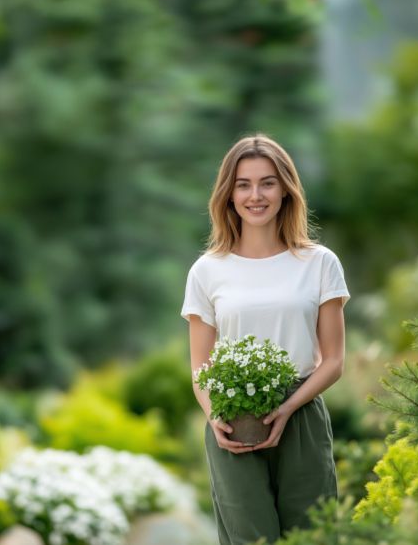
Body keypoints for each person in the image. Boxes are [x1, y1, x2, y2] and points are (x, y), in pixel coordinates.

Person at [180, 134, 350, 544]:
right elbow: (201, 367)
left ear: (286, 190)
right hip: (233, 419)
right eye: (243, 184)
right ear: (229, 194)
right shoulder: (207, 270)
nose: (255, 195)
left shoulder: (319, 263)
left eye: (267, 182)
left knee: (313, 536)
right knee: (249, 539)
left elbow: (333, 361)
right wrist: (213, 416)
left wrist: (288, 408)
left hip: (302, 412)